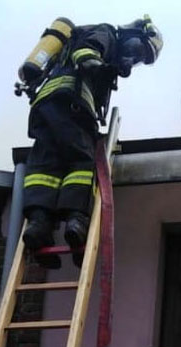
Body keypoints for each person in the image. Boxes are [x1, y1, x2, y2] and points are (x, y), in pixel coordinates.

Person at [18, 16, 163, 267]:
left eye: (141, 58)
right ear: (132, 35)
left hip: (45, 105)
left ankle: (39, 226)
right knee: (82, 161)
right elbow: (86, 53)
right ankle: (77, 220)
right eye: (139, 50)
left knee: (45, 165)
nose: (135, 58)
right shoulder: (107, 33)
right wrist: (100, 66)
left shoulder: (97, 40)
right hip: (72, 102)